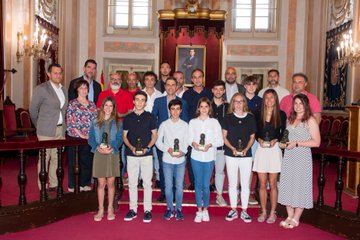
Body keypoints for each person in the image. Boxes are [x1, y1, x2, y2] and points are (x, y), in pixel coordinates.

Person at [278, 94, 320, 229]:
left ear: (305, 105)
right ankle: (289, 215)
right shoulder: (290, 120)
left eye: (300, 103)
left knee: (300, 186)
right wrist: (283, 144)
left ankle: (296, 217)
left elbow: (316, 142)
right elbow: (286, 138)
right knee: (287, 185)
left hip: (302, 158)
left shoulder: (310, 121)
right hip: (289, 157)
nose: (297, 106)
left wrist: (296, 143)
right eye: (295, 103)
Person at [29, 63, 67, 191]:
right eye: (55, 73)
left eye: (60, 73)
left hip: (60, 129)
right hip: (45, 130)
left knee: (57, 158)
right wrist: (39, 125)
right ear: (49, 74)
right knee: (45, 158)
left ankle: (54, 184)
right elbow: (33, 110)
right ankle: (43, 186)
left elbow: (63, 110)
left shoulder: (63, 89)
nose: (58, 75)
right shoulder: (42, 89)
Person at [152, 77, 189, 202]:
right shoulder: (158, 101)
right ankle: (164, 192)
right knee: (163, 167)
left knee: (177, 166)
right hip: (163, 141)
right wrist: (158, 135)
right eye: (168, 85)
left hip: (179, 141)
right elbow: (153, 120)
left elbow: (185, 122)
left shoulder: (183, 102)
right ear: (165, 86)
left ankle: (175, 193)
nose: (171, 87)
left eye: (173, 85)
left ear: (177, 86)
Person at [123, 91, 157, 223]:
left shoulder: (150, 117)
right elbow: (125, 136)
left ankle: (147, 210)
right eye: (137, 99)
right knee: (132, 183)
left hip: (147, 154)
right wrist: (131, 147)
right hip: (131, 155)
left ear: (145, 102)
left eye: (142, 100)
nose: (139, 102)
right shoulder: (128, 118)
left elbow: (155, 135)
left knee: (147, 183)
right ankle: (133, 209)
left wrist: (147, 147)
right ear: (133, 101)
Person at [253, 89, 286, 224]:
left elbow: (283, 132)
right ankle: (263, 211)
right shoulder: (258, 114)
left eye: (272, 98)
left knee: (272, 184)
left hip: (274, 150)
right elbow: (255, 131)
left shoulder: (281, 114)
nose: (269, 100)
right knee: (262, 184)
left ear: (276, 99)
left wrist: (276, 140)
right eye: (266, 98)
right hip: (261, 150)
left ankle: (273, 212)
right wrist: (258, 139)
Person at [222, 93, 256, 223]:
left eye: (241, 101)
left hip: (246, 155)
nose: (238, 103)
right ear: (232, 103)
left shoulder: (251, 118)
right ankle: (233, 209)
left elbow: (252, 137)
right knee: (232, 183)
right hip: (231, 154)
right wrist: (233, 149)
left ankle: (245, 211)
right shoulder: (227, 118)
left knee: (245, 184)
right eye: (235, 101)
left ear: (244, 103)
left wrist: (246, 149)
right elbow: (224, 137)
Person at [188, 97, 223, 223]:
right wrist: (194, 144)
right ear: (198, 108)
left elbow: (220, 140)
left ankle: (206, 209)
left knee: (206, 184)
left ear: (209, 108)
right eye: (201, 106)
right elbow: (189, 138)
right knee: (198, 184)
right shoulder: (192, 122)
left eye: (206, 107)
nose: (203, 109)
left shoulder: (214, 122)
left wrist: (209, 145)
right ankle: (199, 210)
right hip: (196, 157)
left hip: (209, 157)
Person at [88, 96, 123, 221]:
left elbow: (120, 139)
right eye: (106, 105)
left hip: (112, 154)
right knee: (101, 184)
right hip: (99, 154)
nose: (108, 108)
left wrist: (112, 148)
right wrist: (97, 147)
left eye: (111, 106)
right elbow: (90, 138)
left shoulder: (118, 122)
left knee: (111, 183)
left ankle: (110, 208)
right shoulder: (95, 121)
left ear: (113, 108)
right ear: (102, 106)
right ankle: (101, 209)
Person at [156, 99, 189, 221]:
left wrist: (183, 152)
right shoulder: (164, 124)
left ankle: (179, 209)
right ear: (169, 110)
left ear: (181, 110)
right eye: (172, 109)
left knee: (179, 186)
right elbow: (158, 142)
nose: (175, 111)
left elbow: (187, 141)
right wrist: (168, 149)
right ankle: (169, 208)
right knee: (168, 186)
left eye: (177, 109)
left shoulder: (185, 125)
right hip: (167, 160)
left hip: (180, 161)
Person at [182, 69, 213, 190]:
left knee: (208, 155)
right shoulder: (187, 94)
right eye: (195, 77)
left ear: (203, 78)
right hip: (192, 129)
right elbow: (184, 112)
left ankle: (208, 183)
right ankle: (193, 182)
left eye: (200, 77)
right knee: (191, 156)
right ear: (192, 79)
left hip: (207, 128)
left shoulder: (209, 93)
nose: (197, 79)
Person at [66, 80, 98, 192]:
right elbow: (71, 122)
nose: (84, 90)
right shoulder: (72, 104)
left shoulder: (92, 104)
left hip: (89, 138)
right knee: (74, 161)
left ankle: (85, 183)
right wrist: (81, 134)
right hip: (75, 137)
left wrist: (90, 135)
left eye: (85, 88)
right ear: (77, 90)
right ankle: (72, 184)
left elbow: (96, 121)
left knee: (87, 161)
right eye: (81, 88)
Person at [243, 75, 262, 205]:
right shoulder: (239, 99)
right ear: (244, 85)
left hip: (254, 138)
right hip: (238, 138)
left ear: (256, 86)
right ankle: (238, 192)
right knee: (238, 166)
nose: (251, 87)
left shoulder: (261, 101)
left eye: (253, 85)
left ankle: (248, 193)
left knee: (250, 167)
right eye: (248, 84)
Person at [210, 80, 229, 206]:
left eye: (221, 89)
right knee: (205, 171)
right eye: (216, 89)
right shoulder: (206, 105)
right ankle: (203, 194)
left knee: (220, 171)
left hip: (222, 145)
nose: (218, 91)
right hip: (206, 145)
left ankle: (219, 195)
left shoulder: (228, 107)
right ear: (212, 90)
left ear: (224, 91)